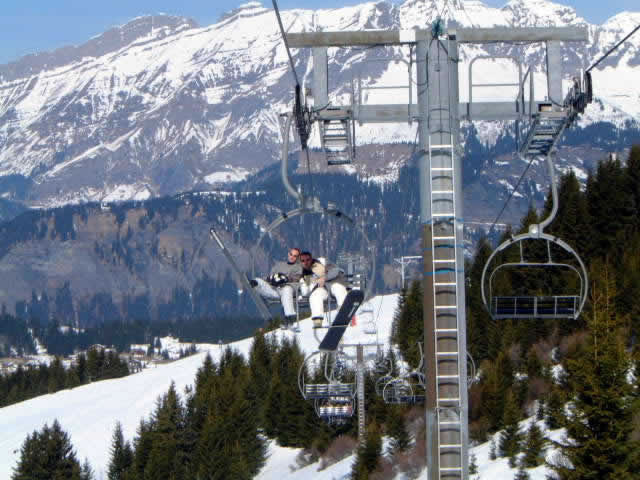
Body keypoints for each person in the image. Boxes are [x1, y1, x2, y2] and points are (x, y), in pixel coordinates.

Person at [251, 247, 302, 325]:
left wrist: (285, 278)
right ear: (288, 254)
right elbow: (269, 277)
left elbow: (297, 278)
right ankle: (254, 284)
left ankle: (290, 316)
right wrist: (270, 279)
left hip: (286, 290)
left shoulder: (298, 267)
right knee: (258, 280)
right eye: (291, 254)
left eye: (295, 256)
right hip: (274, 289)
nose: (292, 257)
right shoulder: (279, 265)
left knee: (287, 289)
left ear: (297, 258)